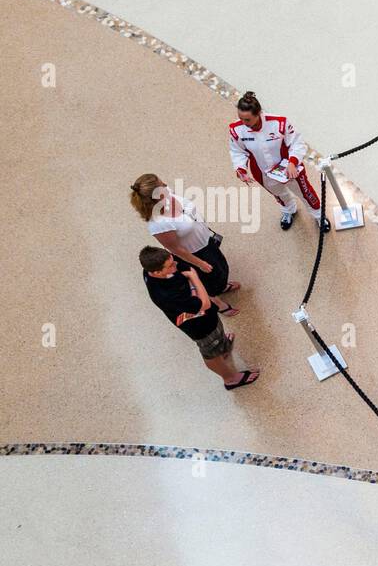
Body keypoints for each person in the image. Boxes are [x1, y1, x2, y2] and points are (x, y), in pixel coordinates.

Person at [139, 246, 259, 390]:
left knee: (218, 338)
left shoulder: (153, 267)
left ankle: (223, 349)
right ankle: (230, 379)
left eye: (172, 261)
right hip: (200, 327)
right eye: (170, 266)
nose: (175, 265)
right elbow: (205, 304)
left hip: (207, 318)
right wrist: (193, 276)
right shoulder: (166, 296)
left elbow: (179, 264)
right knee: (210, 353)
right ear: (157, 272)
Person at [227, 90, 330, 232]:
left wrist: (292, 163)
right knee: (279, 194)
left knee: (306, 193)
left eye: (248, 120)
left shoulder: (279, 123)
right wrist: (240, 169)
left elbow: (297, 143)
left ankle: (319, 216)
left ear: (258, 114)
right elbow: (237, 151)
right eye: (240, 118)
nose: (244, 123)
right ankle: (289, 210)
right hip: (263, 174)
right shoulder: (236, 130)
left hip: (290, 169)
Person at [130, 173, 239, 304]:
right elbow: (175, 249)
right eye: (161, 185)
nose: (165, 185)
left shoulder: (167, 193)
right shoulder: (158, 224)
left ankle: (221, 286)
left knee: (221, 267)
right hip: (196, 252)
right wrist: (200, 263)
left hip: (206, 240)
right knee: (209, 279)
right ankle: (217, 301)